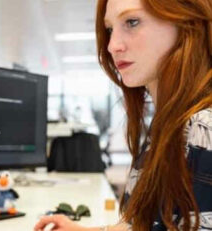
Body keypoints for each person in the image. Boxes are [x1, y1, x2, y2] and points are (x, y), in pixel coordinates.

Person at [35, 0, 212, 230]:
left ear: (187, 22)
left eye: (132, 22)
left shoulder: (203, 129)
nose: (112, 45)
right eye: (110, 29)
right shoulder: (169, 125)